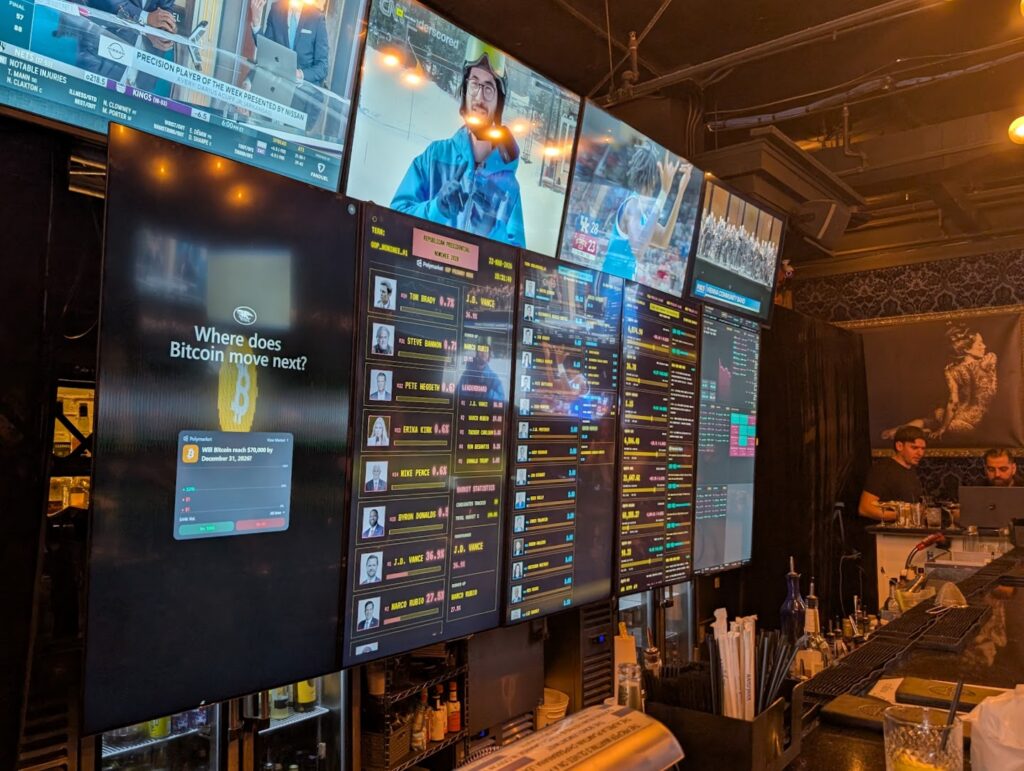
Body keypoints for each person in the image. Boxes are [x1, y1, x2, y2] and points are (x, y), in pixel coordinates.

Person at [391, 38, 525, 247]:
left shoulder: (509, 189)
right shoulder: (434, 157)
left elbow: (518, 260)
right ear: (465, 90)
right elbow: (393, 222)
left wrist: (493, 231)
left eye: (488, 87)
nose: (479, 96)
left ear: (499, 101)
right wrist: (436, 209)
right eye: (474, 84)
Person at [881, 325, 997, 442]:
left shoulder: (951, 370)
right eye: (980, 344)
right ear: (966, 349)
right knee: (942, 428)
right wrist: (943, 429)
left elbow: (953, 402)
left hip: (953, 416)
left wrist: (943, 426)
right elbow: (954, 401)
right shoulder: (989, 360)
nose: (984, 346)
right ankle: (919, 432)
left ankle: (899, 430)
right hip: (972, 421)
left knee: (930, 421)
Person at [602, 145, 692, 280]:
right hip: (609, 284)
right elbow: (638, 250)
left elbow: (663, 240)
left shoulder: (641, 212)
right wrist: (664, 192)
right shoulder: (633, 205)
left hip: (618, 283)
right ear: (654, 179)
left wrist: (680, 193)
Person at [249, 0, 328, 130]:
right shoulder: (276, 9)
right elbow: (267, 50)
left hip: (300, 103)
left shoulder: (317, 18)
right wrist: (256, 22)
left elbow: (322, 67)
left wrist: (301, 74)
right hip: (272, 94)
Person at [858, 425, 926, 521]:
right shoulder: (882, 469)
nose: (920, 453)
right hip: (885, 529)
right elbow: (865, 509)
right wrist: (904, 515)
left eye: (923, 449)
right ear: (899, 446)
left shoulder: (912, 470)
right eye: (914, 448)